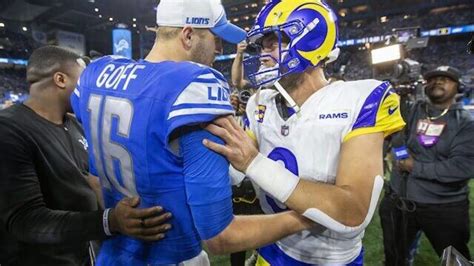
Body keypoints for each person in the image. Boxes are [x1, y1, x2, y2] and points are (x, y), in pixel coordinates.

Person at [70, 0, 314, 265]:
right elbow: (220, 236)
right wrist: (304, 216)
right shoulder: (194, 83)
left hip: (113, 254)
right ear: (188, 35)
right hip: (171, 255)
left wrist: (114, 216)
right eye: (215, 38)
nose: (220, 47)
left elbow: (93, 176)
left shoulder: (97, 72)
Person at [203, 0, 406, 265]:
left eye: (274, 42)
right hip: (270, 250)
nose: (264, 53)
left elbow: (352, 210)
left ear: (311, 41)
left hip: (329, 260)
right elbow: (235, 169)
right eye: (262, 44)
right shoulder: (260, 101)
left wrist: (254, 162)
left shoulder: (360, 99)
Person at [0, 46, 171, 266]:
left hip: (81, 256)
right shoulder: (8, 130)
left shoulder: (74, 125)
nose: (92, 89)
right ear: (61, 79)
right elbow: (25, 221)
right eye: (85, 80)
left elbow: (85, 181)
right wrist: (111, 221)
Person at [379, 66, 474, 265]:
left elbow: (463, 166)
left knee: (456, 260)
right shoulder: (415, 110)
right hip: (400, 202)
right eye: (433, 78)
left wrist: (415, 167)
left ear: (458, 87)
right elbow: (397, 139)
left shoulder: (465, 123)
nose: (437, 82)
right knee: (394, 258)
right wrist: (402, 157)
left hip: (443, 208)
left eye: (445, 79)